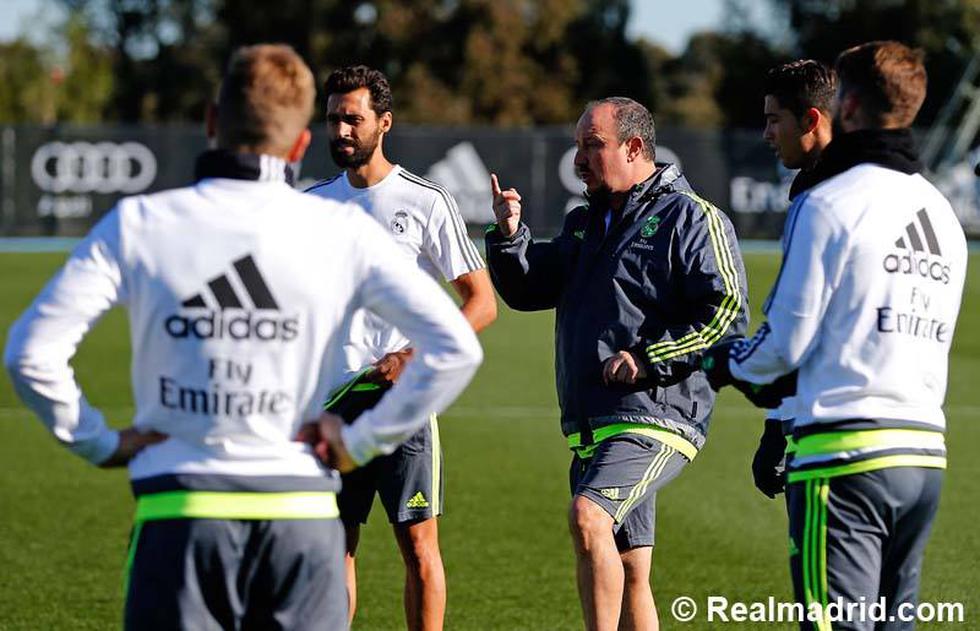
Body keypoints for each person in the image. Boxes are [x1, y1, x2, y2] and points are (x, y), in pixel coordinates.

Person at [3, 44, 483, 630]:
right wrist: (359, 443)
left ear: (211, 122)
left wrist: (100, 443)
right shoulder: (336, 228)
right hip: (299, 514)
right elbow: (456, 347)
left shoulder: (139, 223)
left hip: (180, 510)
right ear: (300, 144)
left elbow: (29, 353)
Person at [704, 41, 967, 630]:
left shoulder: (828, 203)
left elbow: (783, 345)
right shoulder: (941, 212)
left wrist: (722, 363)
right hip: (924, 457)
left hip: (845, 456)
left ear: (846, 106)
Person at [486, 97, 748, 631]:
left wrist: (649, 359)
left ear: (633, 147)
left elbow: (725, 315)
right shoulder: (585, 222)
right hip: (596, 421)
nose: (579, 159)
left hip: (656, 415)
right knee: (630, 570)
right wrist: (511, 236)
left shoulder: (691, 216)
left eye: (592, 145)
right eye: (577, 145)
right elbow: (530, 289)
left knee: (589, 518)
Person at [305, 65, 496, 631]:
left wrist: (412, 357)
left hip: (402, 404)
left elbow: (482, 302)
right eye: (333, 119)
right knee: (333, 547)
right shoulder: (311, 206)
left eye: (353, 119)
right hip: (332, 403)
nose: (341, 130)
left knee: (417, 546)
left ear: (383, 123)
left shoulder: (426, 201)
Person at [753, 59, 837, 499]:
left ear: (811, 120)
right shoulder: (814, 189)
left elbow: (803, 321)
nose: (767, 133)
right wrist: (775, 423)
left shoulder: (835, 200)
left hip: (833, 432)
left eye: (774, 120)